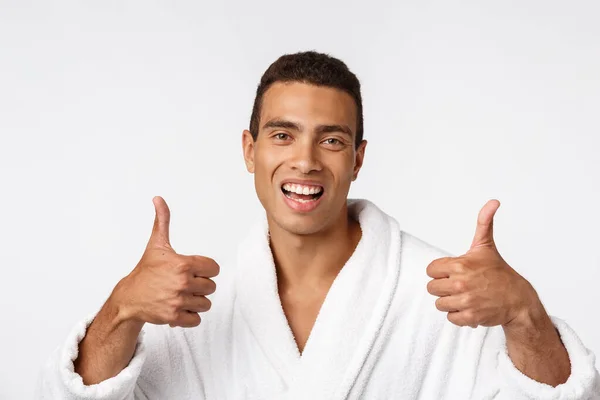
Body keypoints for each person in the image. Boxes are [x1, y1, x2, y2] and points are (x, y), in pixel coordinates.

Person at [36, 51, 600, 399]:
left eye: (331, 139)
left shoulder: (446, 294)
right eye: (283, 135)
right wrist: (123, 308)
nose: (306, 159)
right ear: (249, 150)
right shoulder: (192, 303)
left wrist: (526, 312)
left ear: (357, 158)